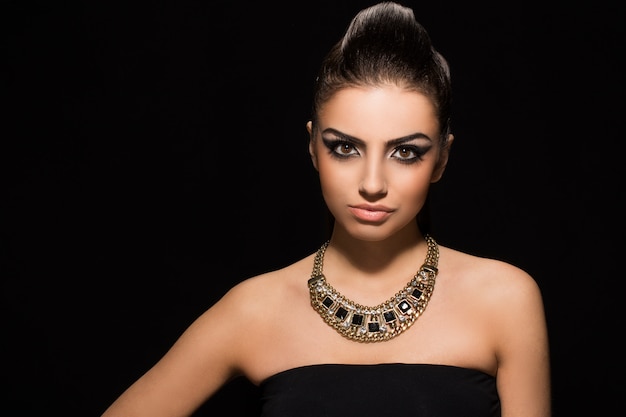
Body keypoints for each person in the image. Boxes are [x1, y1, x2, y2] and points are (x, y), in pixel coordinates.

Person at [100, 2, 551, 416]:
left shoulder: (504, 300)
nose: (372, 184)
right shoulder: (255, 310)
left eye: (406, 152)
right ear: (313, 146)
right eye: (345, 148)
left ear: (442, 159)